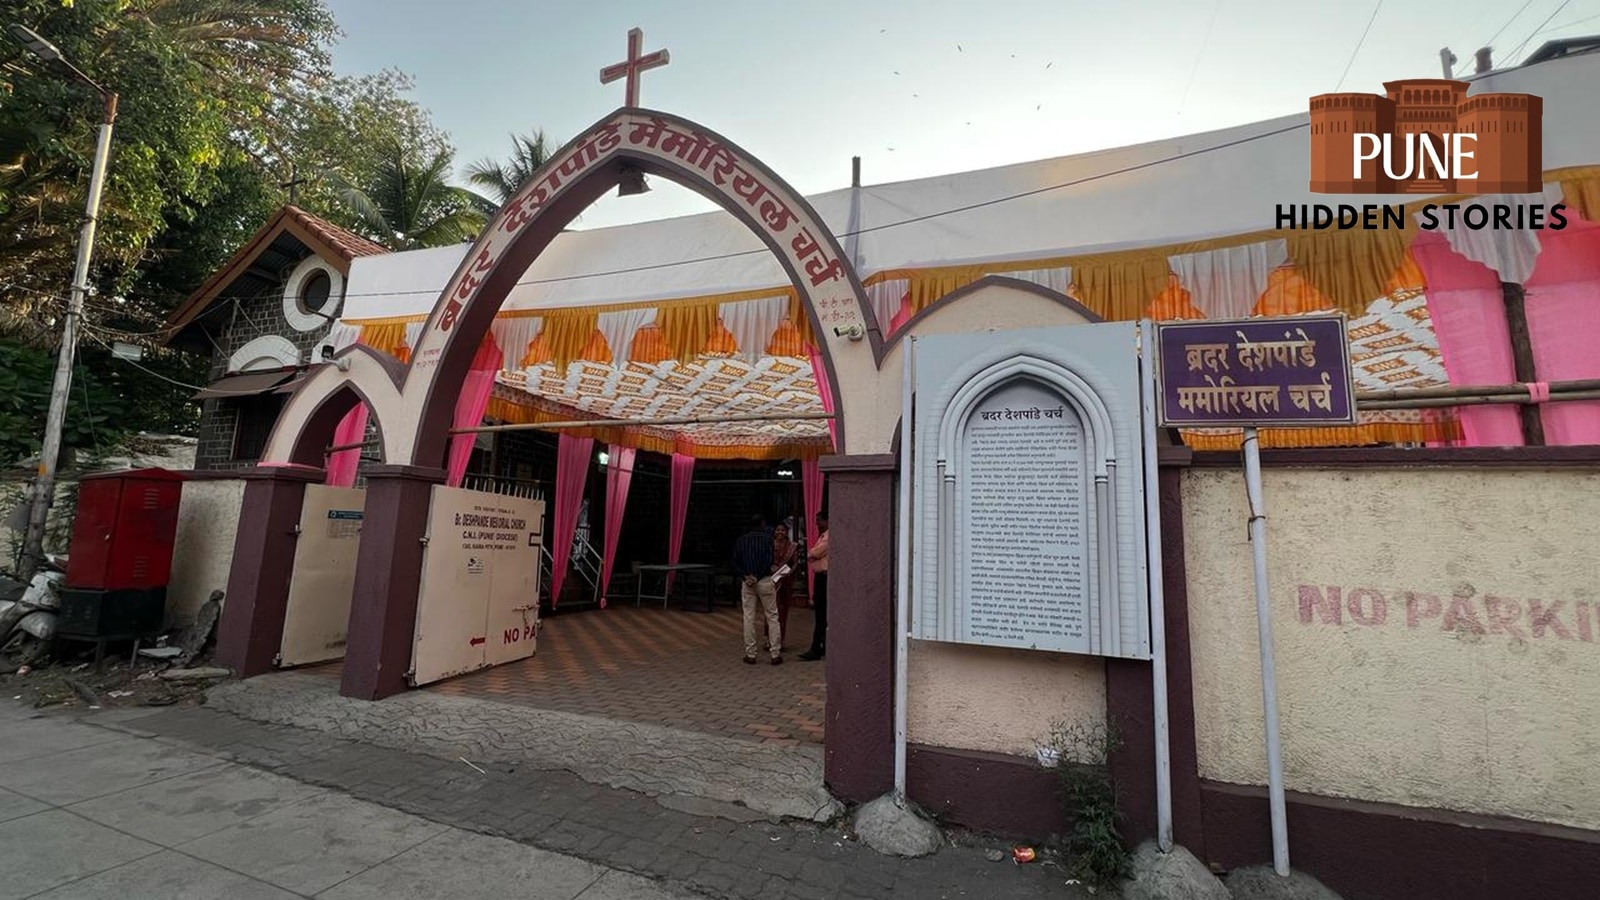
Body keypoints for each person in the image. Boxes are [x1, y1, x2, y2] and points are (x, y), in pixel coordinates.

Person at [732, 514, 781, 665]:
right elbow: (768, 560)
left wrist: (746, 576)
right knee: (772, 616)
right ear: (762, 524)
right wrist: (757, 576)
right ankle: (775, 653)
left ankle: (750, 653)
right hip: (764, 580)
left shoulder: (741, 541)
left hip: (747, 582)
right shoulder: (767, 540)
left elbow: (735, 562)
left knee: (749, 617)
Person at [800, 514, 829, 661]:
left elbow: (815, 552)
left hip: (824, 577)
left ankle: (816, 647)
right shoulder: (822, 536)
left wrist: (812, 554)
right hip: (820, 576)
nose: (817, 524)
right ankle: (821, 644)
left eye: (819, 520)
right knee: (821, 613)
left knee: (821, 613)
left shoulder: (828, 536)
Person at [769, 523, 799, 648]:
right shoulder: (770, 545)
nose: (780, 532)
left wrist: (789, 572)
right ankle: (769, 639)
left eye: (783, 530)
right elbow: (766, 559)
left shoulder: (792, 546)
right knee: (771, 609)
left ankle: (781, 639)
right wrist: (771, 568)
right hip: (772, 579)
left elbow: (796, 562)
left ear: (786, 532)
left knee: (783, 609)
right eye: (778, 530)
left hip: (786, 580)